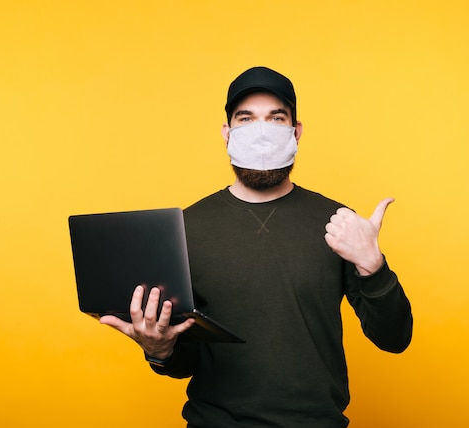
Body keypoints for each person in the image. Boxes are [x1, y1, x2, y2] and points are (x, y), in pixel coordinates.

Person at [100, 66, 413, 427]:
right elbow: (184, 362)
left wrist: (374, 266)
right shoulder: (183, 229)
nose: (261, 131)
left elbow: (394, 338)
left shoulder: (340, 224)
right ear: (227, 133)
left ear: (296, 132)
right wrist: (159, 350)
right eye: (246, 119)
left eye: (276, 118)